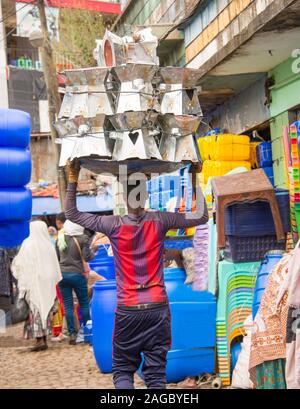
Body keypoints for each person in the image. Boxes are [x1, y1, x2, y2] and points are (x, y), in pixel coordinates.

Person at [65, 160, 208, 389]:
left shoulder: (112, 224)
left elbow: (71, 212)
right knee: (155, 375)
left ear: (125, 198)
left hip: (128, 310)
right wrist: (193, 177)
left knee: (122, 370)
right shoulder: (160, 220)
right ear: (145, 196)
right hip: (158, 309)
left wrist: (72, 177)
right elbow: (201, 216)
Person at [11, 221, 62, 351]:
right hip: (47, 284)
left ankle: (39, 340)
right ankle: (43, 338)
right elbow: (55, 266)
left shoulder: (27, 244)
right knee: (46, 310)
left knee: (35, 311)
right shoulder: (48, 245)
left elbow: (20, 264)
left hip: (33, 284)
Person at [56, 219, 94, 345]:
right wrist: (94, 250)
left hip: (62, 275)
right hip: (77, 275)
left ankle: (72, 334)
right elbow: (87, 257)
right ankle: (88, 333)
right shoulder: (83, 239)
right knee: (84, 303)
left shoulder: (60, 239)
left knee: (68, 305)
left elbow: (57, 257)